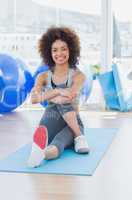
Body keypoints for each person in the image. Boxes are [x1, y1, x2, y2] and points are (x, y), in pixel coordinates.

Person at [28, 26, 89, 168]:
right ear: (48, 53)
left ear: (71, 50)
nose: (59, 53)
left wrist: (52, 95)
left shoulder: (78, 75)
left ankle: (42, 154)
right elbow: (34, 98)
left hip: (72, 123)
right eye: (54, 50)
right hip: (49, 123)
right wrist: (56, 93)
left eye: (64, 49)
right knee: (61, 94)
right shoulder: (42, 76)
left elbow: (70, 95)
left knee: (59, 142)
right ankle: (79, 137)